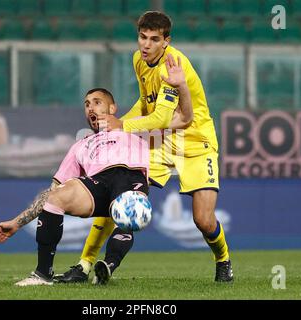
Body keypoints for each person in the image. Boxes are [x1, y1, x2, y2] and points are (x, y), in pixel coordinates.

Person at [54, 11, 233, 285]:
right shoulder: (139, 59)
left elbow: (161, 117)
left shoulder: (172, 66)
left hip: (196, 141)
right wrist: (121, 123)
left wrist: (121, 126)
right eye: (142, 37)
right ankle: (84, 265)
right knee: (117, 188)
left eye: (154, 39)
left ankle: (223, 260)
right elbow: (146, 102)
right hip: (162, 140)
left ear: (166, 41)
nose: (146, 45)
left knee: (204, 220)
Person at [0, 78, 193, 286]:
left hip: (130, 178)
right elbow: (50, 191)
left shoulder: (134, 127)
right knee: (54, 197)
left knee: (129, 211)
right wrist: (16, 222)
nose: (90, 108)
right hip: (97, 183)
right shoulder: (81, 145)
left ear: (112, 107)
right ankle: (43, 274)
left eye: (97, 102)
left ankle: (107, 266)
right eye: (87, 104)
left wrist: (182, 87)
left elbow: (185, 118)